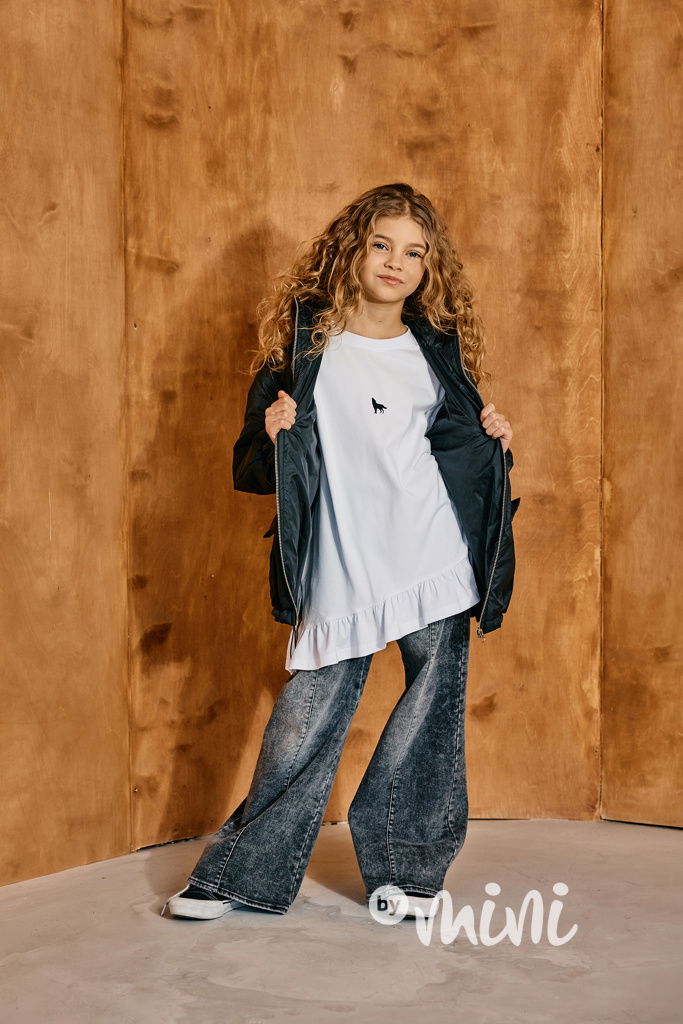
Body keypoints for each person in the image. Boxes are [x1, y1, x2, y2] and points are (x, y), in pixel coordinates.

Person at [161, 182, 520, 922]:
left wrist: (494, 440)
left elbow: (457, 453)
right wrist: (272, 434)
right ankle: (241, 876)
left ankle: (406, 872)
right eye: (381, 244)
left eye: (414, 253)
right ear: (351, 250)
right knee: (305, 720)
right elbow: (249, 470)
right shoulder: (303, 351)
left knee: (431, 714)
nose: (396, 263)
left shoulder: (436, 351)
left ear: (428, 270)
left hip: (430, 550)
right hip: (344, 556)